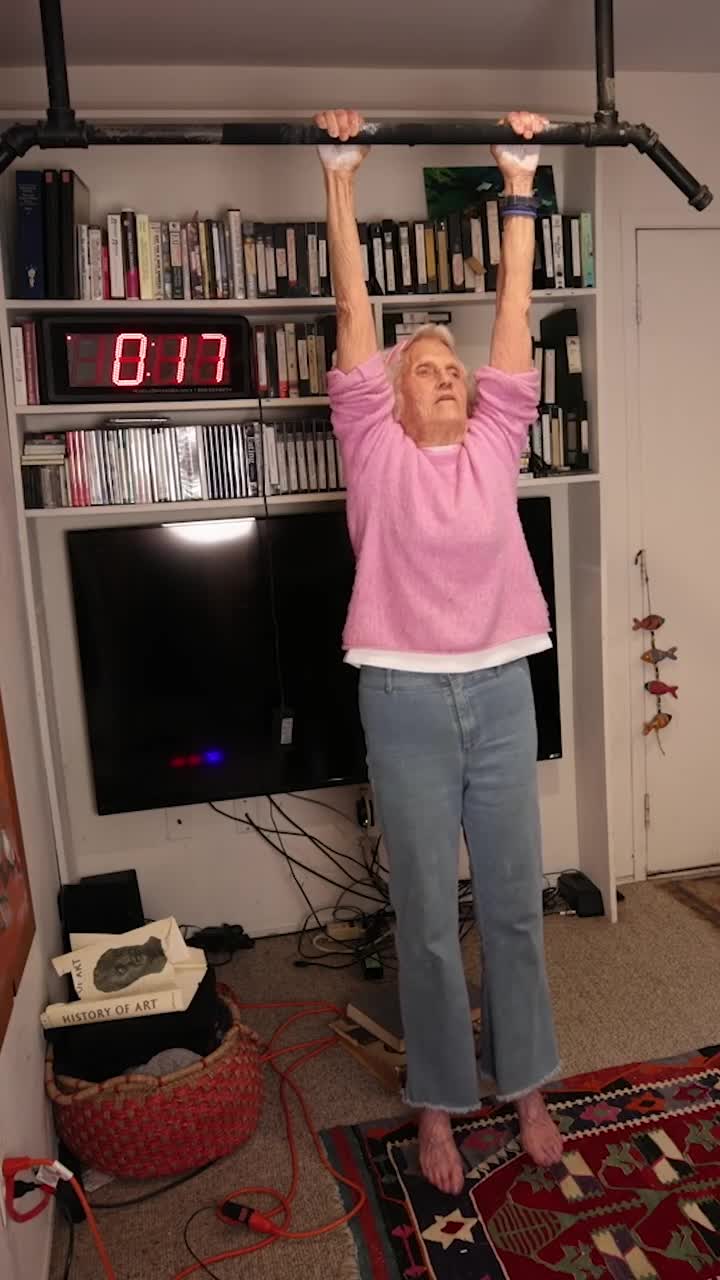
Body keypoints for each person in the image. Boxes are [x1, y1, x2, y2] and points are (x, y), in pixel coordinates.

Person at [316, 107, 564, 1196]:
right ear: (392, 395)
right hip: (405, 698)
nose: (448, 374)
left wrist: (520, 181)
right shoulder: (373, 449)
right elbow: (353, 314)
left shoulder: (497, 440)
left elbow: (514, 316)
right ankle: (438, 1103)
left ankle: (527, 1083)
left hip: (503, 685)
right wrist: (340, 176)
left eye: (452, 365)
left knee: (511, 904)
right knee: (424, 917)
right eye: (425, 368)